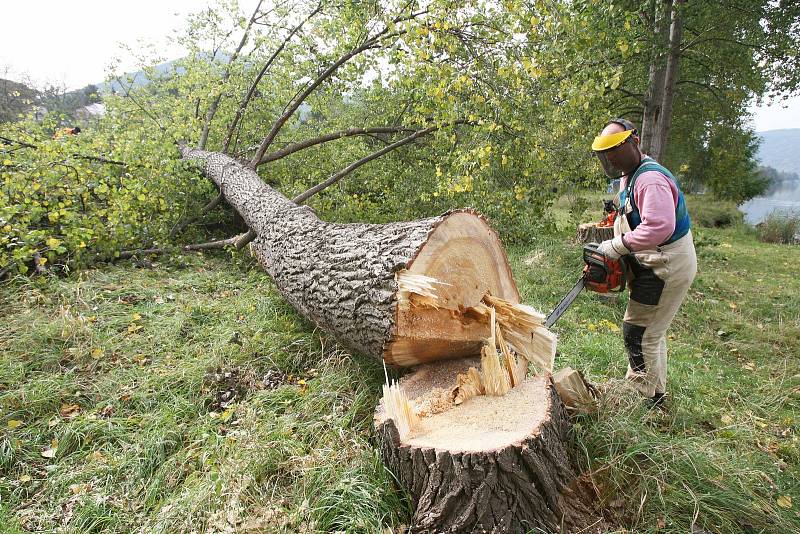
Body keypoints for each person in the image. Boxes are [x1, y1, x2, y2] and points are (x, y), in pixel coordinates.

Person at [590, 118, 697, 409]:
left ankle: (642, 402)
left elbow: (660, 226)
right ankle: (656, 396)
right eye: (606, 152)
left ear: (633, 142)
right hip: (656, 260)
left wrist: (617, 245)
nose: (611, 156)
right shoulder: (631, 174)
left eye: (615, 149)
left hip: (666, 263)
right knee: (652, 333)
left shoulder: (649, 178)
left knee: (638, 333)